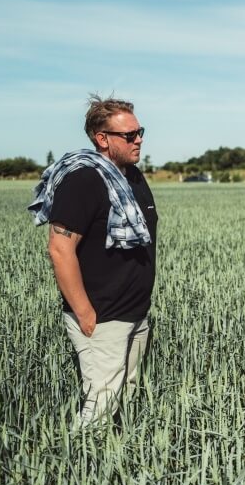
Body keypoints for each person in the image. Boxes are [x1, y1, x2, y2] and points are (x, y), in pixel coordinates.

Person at [28, 94, 157, 429]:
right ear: (102, 139)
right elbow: (59, 248)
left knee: (126, 399)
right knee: (100, 408)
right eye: (129, 135)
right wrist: (85, 313)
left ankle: (119, 473)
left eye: (140, 131)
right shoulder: (84, 180)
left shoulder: (132, 178)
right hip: (102, 317)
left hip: (134, 313)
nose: (139, 139)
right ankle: (79, 470)